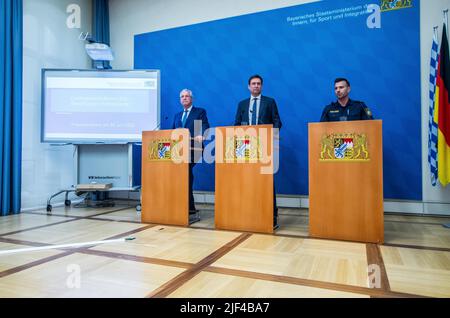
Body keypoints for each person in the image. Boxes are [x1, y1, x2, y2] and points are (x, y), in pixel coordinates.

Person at [234, 74, 282, 229]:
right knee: (248, 180)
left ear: (262, 86)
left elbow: (277, 122)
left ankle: (272, 215)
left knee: (267, 181)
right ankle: (250, 212)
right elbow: (236, 124)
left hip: (264, 146)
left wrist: (270, 136)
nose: (256, 86)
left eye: (258, 84)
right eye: (253, 84)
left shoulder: (270, 102)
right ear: (248, 86)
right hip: (246, 147)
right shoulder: (242, 104)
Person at [172, 89, 210, 219]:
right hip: (179, 151)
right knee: (185, 175)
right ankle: (190, 207)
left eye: (186, 96)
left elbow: (205, 125)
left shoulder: (199, 112)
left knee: (186, 172)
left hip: (195, 148)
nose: (184, 98)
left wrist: (201, 134)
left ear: (191, 99)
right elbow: (172, 133)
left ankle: (188, 207)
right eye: (182, 96)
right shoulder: (177, 115)